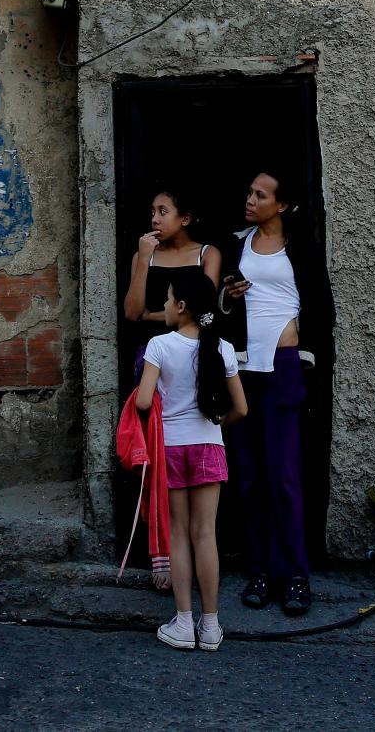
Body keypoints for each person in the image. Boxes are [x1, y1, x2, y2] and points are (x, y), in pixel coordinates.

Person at [222, 167, 335, 617]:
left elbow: (323, 306)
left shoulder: (300, 247)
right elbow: (221, 307)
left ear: (282, 205)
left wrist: (301, 341)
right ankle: (261, 570)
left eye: (261, 195)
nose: (251, 200)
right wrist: (229, 296)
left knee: (285, 476)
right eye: (250, 192)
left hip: (286, 367)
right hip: (246, 368)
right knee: (249, 477)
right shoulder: (237, 244)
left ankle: (296, 576)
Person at [135, 271, 246, 651]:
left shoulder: (159, 346)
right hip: (209, 446)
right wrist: (216, 425)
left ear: (181, 307)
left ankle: (183, 623)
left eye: (167, 300)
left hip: (171, 449)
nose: (164, 306)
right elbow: (241, 409)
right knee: (206, 534)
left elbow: (144, 402)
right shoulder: (223, 348)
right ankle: (211, 626)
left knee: (179, 534)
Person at [122, 188, 223, 324]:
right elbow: (132, 313)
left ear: (185, 219)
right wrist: (143, 260)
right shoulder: (144, 255)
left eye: (162, 212)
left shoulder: (207, 254)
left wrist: (149, 316)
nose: (155, 220)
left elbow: (205, 309)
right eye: (153, 212)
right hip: (149, 342)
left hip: (191, 343)